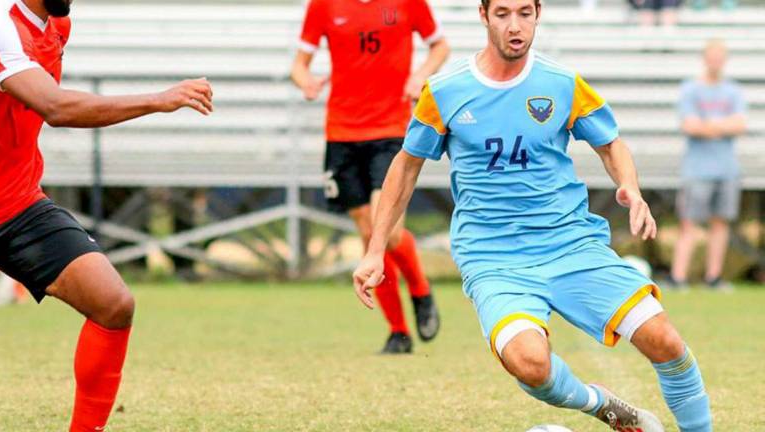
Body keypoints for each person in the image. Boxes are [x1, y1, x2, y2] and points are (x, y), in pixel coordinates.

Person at [353, 0, 712, 430]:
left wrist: (630, 188)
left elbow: (611, 143)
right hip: (494, 258)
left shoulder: (561, 83)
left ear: (538, 13)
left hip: (569, 243)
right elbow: (405, 167)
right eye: (503, 13)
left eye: (525, 12)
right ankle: (601, 403)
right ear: (483, 16)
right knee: (529, 364)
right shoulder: (445, 91)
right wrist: (375, 249)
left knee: (666, 341)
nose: (515, 25)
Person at [0, 0, 213, 430]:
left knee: (113, 304)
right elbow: (56, 108)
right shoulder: (2, 22)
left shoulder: (58, 25)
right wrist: (159, 99)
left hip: (15, 202)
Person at [292, 0, 450, 353]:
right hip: (342, 134)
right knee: (368, 234)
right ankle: (398, 332)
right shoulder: (323, 5)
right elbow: (298, 65)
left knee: (388, 232)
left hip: (390, 130)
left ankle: (421, 291)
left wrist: (419, 74)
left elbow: (440, 45)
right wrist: (307, 83)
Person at [670, 39, 746, 292]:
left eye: (719, 57)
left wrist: (707, 127)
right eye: (711, 56)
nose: (715, 62)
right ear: (705, 59)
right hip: (697, 169)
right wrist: (721, 126)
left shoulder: (733, 90)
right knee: (689, 223)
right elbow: (689, 125)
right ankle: (678, 277)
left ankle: (713, 277)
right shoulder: (691, 88)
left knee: (720, 223)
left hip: (727, 169)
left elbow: (740, 124)